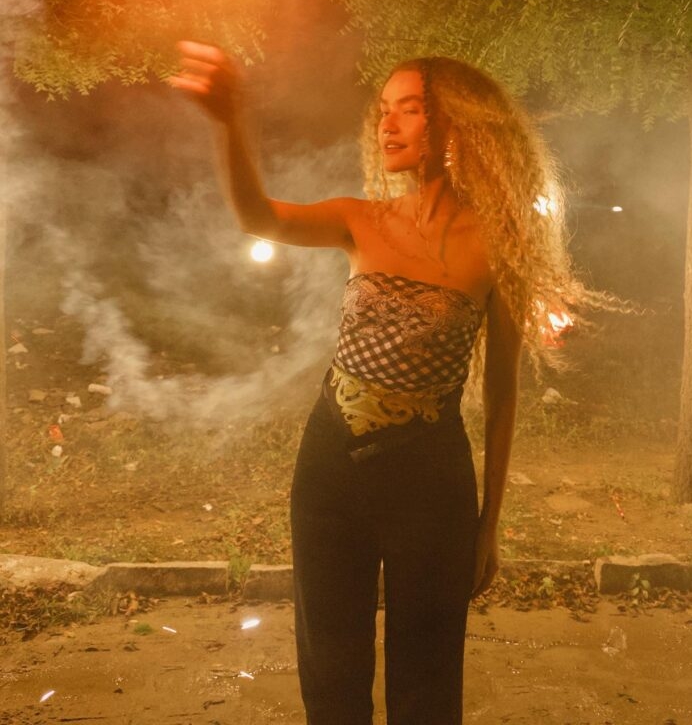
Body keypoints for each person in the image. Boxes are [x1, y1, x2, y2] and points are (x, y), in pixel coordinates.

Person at [170, 41, 584, 725]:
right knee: (330, 675)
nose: (386, 125)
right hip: (329, 471)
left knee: (426, 684)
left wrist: (488, 527)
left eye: (409, 109)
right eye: (383, 111)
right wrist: (227, 122)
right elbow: (258, 217)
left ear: (454, 123)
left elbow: (503, 395)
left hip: (431, 479)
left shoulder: (499, 244)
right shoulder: (359, 219)